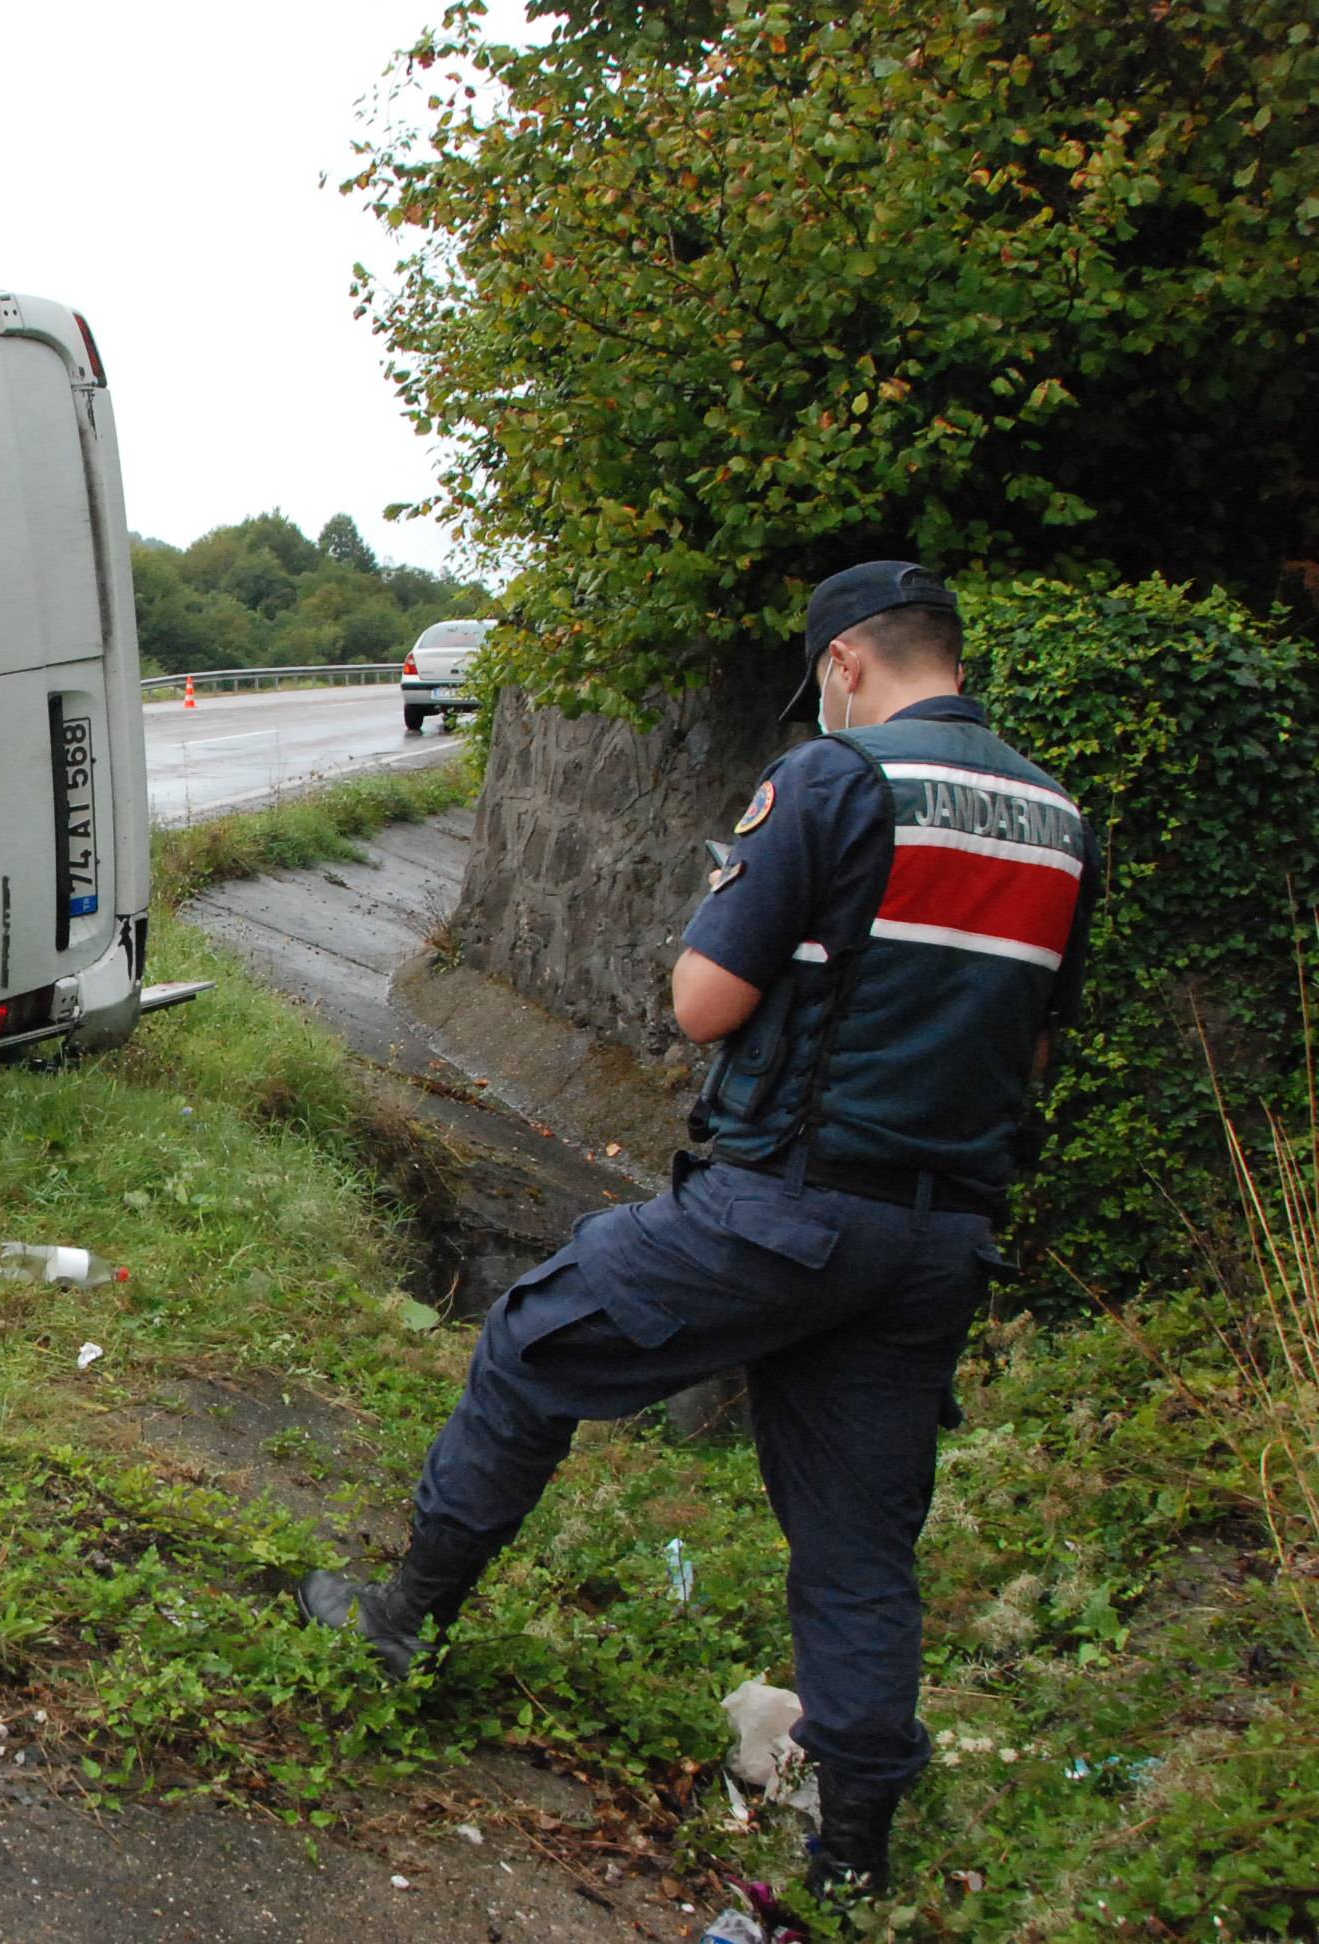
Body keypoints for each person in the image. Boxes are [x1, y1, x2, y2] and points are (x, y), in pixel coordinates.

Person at [297, 561, 1099, 1901]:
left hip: (786, 1206)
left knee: (536, 1336)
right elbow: (1033, 1033)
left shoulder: (837, 784)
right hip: (939, 1238)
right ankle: (850, 1858)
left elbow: (708, 1004)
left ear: (845, 664)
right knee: (856, 1539)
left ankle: (400, 1625)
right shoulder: (1059, 820)